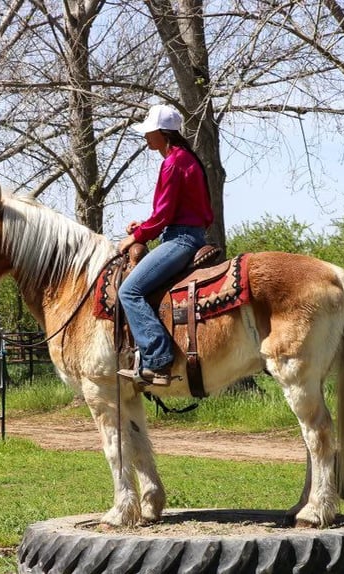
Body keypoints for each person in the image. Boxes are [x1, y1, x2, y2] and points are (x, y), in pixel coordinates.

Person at [116, 104, 214, 386]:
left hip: (181, 238)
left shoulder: (173, 162)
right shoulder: (186, 158)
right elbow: (173, 212)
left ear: (161, 133)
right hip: (188, 233)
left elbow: (165, 215)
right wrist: (144, 226)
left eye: (149, 132)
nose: (146, 137)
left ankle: (158, 360)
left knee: (130, 290)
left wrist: (136, 237)